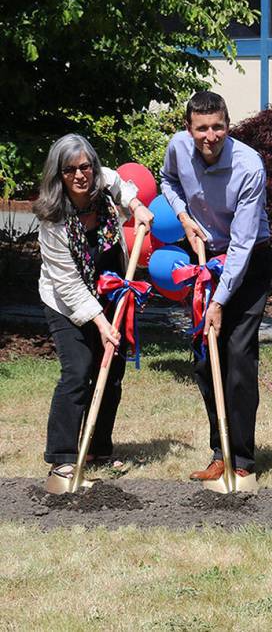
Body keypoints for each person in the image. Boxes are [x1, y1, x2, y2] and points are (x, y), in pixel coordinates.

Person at [160, 91, 272, 483]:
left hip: (248, 261)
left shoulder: (248, 166)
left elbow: (242, 244)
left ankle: (242, 460)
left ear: (229, 125)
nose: (210, 136)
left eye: (218, 127)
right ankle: (218, 450)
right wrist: (182, 216)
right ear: (189, 129)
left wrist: (220, 300)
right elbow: (167, 180)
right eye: (201, 128)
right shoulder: (177, 147)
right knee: (206, 360)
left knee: (238, 357)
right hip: (203, 256)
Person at [34, 134, 154, 479]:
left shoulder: (103, 182)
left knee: (111, 372)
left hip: (111, 289)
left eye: (85, 166)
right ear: (59, 175)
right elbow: (68, 284)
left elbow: (121, 184)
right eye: (70, 170)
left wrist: (136, 206)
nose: (80, 175)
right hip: (64, 299)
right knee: (79, 370)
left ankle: (99, 448)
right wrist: (102, 326)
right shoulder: (52, 218)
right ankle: (62, 454)